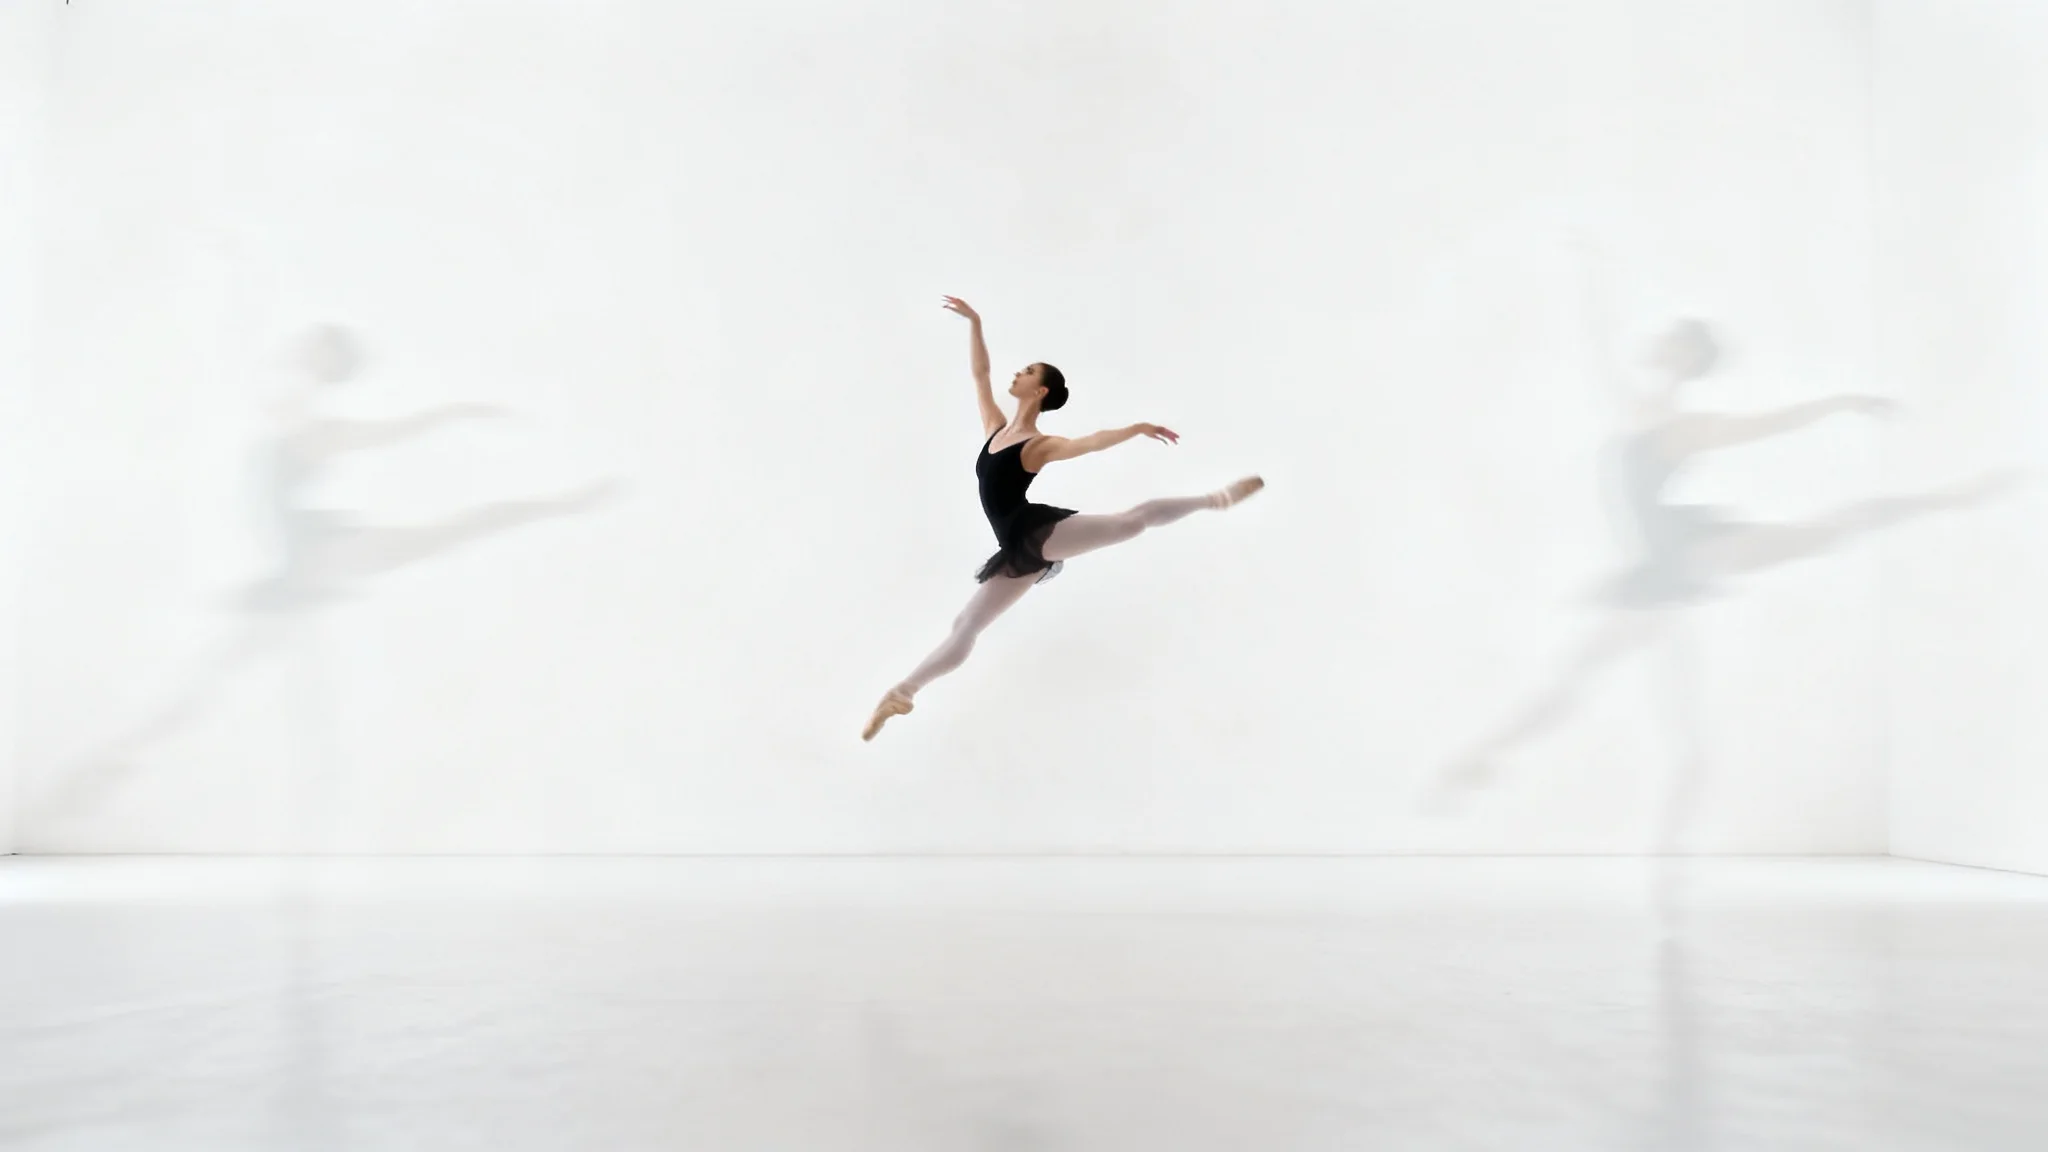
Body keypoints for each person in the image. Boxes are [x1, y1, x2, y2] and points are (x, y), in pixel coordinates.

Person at [862, 297, 1263, 741]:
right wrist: (974, 323)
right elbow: (980, 375)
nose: (1018, 373)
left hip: (1035, 529)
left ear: (1041, 392)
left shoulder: (1037, 444)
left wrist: (1134, 429)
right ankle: (903, 692)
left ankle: (1216, 498)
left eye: (1028, 372)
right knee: (966, 625)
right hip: (1015, 547)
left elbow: (1089, 443)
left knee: (1131, 521)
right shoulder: (995, 427)